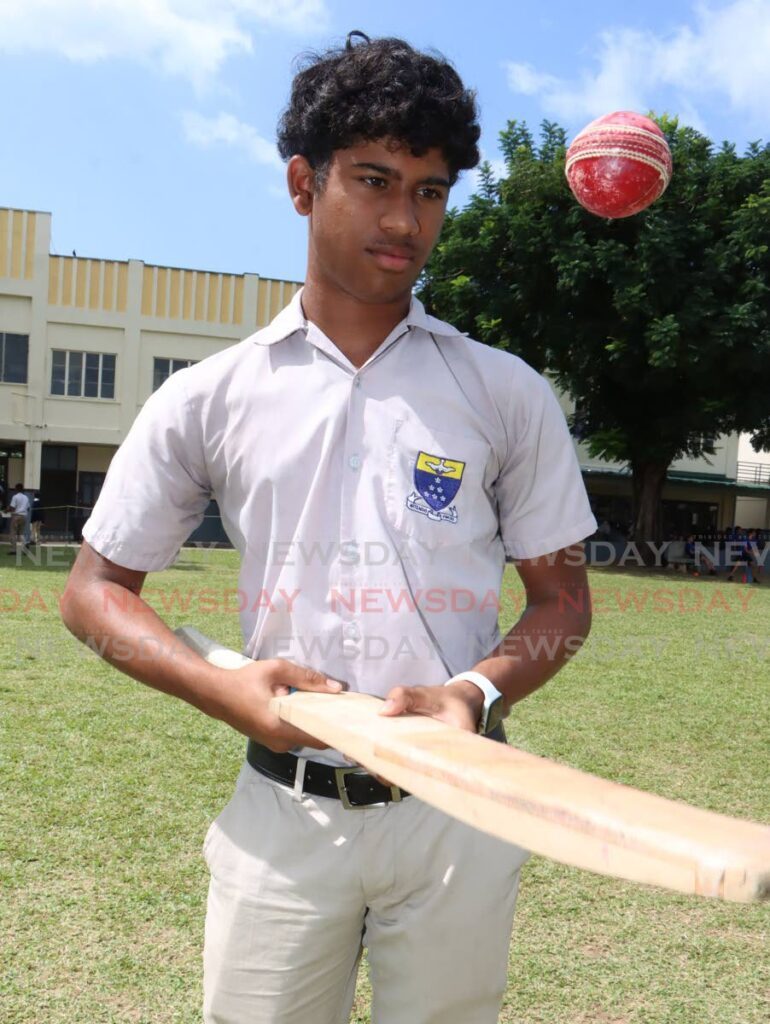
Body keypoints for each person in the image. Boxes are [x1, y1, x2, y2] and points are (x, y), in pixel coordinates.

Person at [60, 32, 595, 1024]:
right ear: (303, 183)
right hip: (284, 810)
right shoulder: (209, 397)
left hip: (457, 812)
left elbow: (562, 603)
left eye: (430, 191)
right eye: (374, 180)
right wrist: (224, 689)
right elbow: (92, 591)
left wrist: (472, 692)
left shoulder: (502, 392)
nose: (405, 220)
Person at [7, 482, 30, 554]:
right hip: (24, 516)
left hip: (16, 516)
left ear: (16, 489)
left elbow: (12, 508)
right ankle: (24, 548)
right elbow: (28, 508)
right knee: (21, 534)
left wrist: (6, 510)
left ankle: (13, 550)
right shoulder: (26, 497)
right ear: (22, 489)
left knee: (13, 533)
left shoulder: (15, 497)